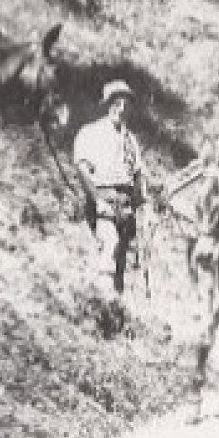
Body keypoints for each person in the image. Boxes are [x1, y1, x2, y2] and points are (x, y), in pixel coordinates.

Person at [73, 80, 145, 300]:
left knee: (122, 260)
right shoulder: (90, 133)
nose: (121, 110)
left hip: (126, 207)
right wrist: (97, 200)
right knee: (109, 246)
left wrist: (139, 202)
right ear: (106, 105)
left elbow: (138, 176)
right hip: (103, 200)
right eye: (116, 104)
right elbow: (82, 169)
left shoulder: (131, 141)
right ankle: (102, 302)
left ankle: (117, 308)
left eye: (126, 105)